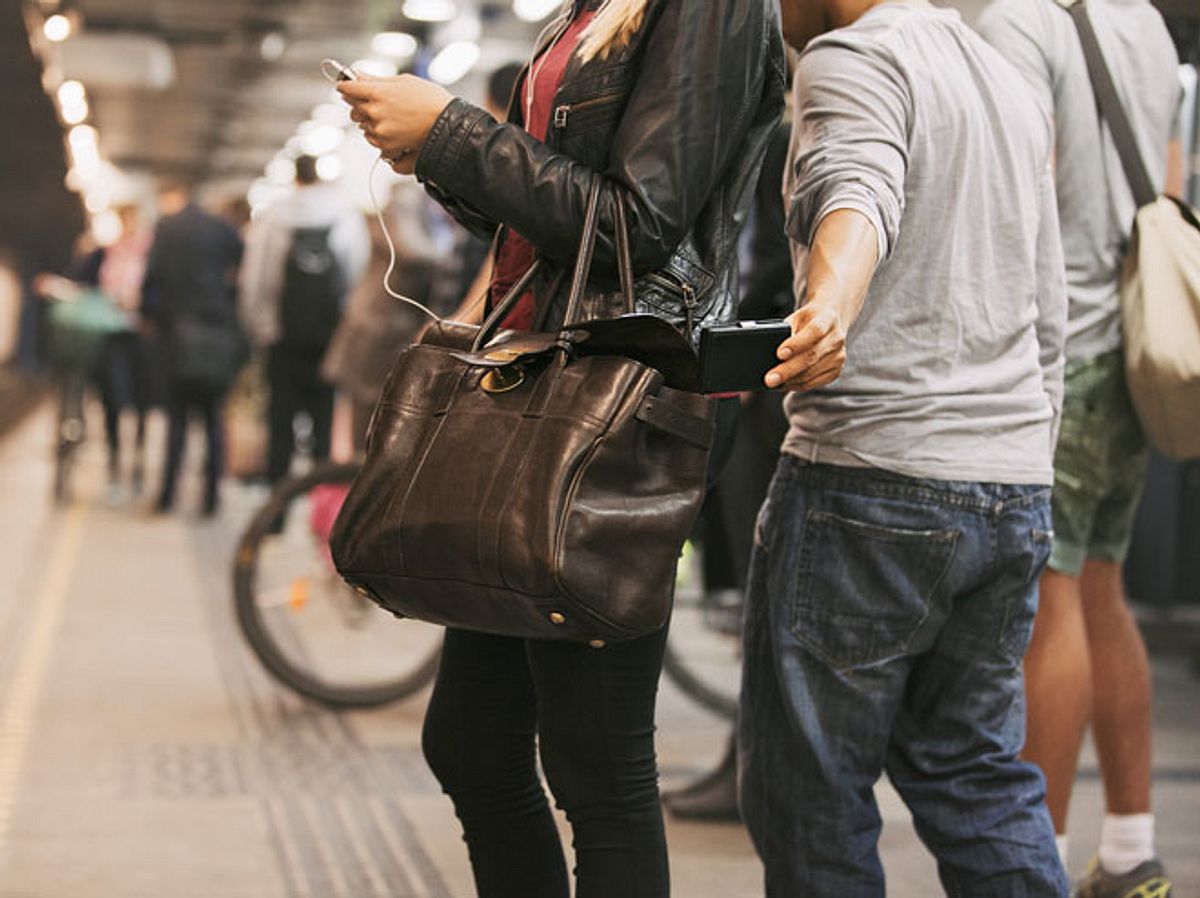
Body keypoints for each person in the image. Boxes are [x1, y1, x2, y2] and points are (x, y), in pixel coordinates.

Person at [336, 0, 786, 894]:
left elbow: (635, 229)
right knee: (471, 744)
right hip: (550, 387)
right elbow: (556, 224)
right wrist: (442, 155)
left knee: (598, 769)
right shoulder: (588, 10)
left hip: (622, 409)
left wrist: (454, 135)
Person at [738, 0, 1071, 893]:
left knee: (813, 796)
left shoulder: (848, 61)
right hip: (1010, 482)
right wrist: (1029, 461)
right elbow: (1049, 302)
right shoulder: (1009, 79)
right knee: (978, 778)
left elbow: (857, 187)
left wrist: (829, 309)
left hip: (870, 482)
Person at [979, 3, 1184, 895]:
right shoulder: (1142, 18)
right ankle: (1133, 852)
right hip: (1132, 348)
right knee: (1101, 590)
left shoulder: (1020, 22)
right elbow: (1169, 171)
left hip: (1061, 355)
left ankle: (1042, 866)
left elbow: (1015, 190)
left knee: (1047, 607)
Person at [238, 155, 369, 485]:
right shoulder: (345, 216)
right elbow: (358, 276)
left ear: (295, 178)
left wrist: (258, 329)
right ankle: (318, 505)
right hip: (328, 338)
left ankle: (276, 512)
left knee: (280, 421)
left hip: (282, 336)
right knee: (323, 423)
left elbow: (254, 280)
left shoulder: (271, 217)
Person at [142, 183, 244, 515]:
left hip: (176, 336)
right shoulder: (223, 230)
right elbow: (242, 271)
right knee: (213, 418)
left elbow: (151, 280)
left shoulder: (166, 228)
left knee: (177, 420)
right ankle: (211, 498)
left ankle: (168, 496)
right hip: (216, 335)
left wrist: (150, 316)